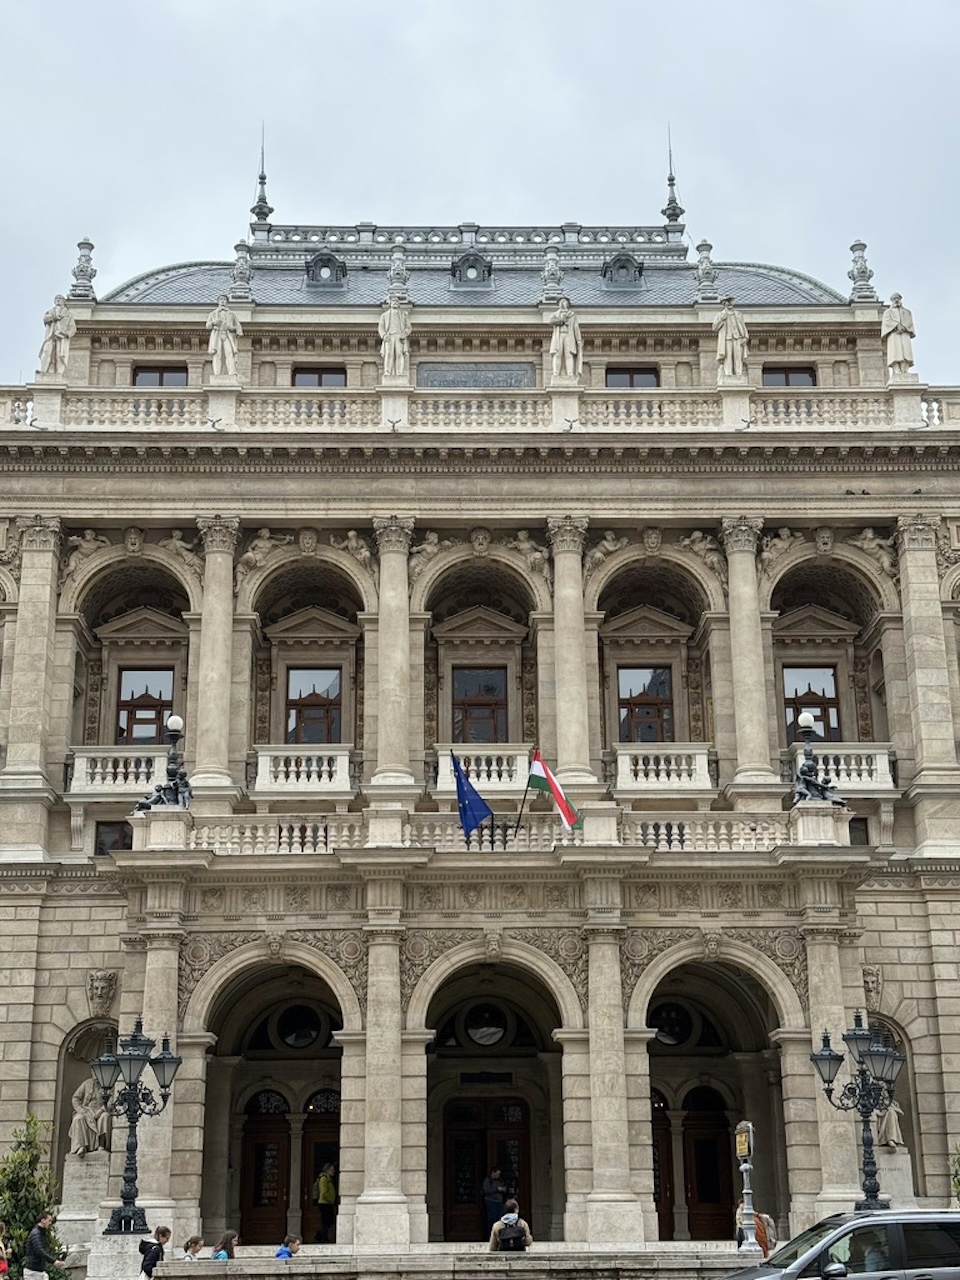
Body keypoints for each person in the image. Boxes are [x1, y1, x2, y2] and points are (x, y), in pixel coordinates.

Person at [68, 1076, 109, 1155]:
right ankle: (81, 1146)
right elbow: (75, 1098)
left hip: (100, 1111)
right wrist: (80, 1109)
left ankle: (101, 1144)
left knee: (105, 1117)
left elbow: (111, 1101)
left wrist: (101, 1110)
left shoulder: (108, 1083)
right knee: (78, 1118)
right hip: (87, 1110)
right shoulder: (87, 1083)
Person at [38, 295, 77, 377]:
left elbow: (73, 328)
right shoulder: (50, 312)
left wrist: (67, 334)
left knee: (60, 354)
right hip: (50, 336)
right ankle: (43, 370)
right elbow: (45, 319)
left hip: (62, 337)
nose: (58, 300)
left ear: (64, 301)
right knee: (46, 351)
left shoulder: (68, 314)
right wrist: (53, 317)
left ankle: (59, 372)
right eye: (56, 299)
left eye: (60, 299)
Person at [206, 296, 243, 378]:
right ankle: (217, 373)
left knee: (229, 353)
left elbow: (238, 326)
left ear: (227, 302)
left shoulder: (231, 314)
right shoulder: (212, 314)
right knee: (217, 354)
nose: (222, 301)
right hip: (217, 334)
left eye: (224, 299)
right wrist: (214, 322)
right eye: (221, 299)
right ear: (218, 301)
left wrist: (234, 330)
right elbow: (208, 326)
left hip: (227, 334)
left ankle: (232, 373)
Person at [713, 296, 749, 378]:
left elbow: (743, 327)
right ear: (724, 303)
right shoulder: (720, 315)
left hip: (738, 338)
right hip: (727, 339)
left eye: (731, 301)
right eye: (727, 301)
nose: (729, 303)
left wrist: (745, 337)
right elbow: (714, 327)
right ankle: (728, 374)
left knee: (738, 357)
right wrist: (721, 320)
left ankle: (738, 373)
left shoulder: (738, 314)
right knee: (728, 356)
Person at [881, 293, 915, 377]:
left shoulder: (907, 312)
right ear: (892, 300)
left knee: (905, 352)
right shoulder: (888, 312)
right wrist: (896, 326)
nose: (896, 300)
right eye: (894, 298)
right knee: (895, 352)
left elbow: (909, 321)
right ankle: (897, 370)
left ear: (900, 299)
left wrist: (903, 326)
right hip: (894, 333)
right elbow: (887, 321)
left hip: (904, 333)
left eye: (897, 298)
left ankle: (905, 370)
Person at [549, 296, 583, 378]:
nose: (562, 303)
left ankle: (570, 374)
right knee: (557, 354)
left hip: (569, 336)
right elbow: (551, 321)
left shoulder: (572, 315)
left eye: (564, 301)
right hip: (559, 335)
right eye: (560, 301)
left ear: (567, 304)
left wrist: (578, 339)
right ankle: (556, 373)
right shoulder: (555, 314)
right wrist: (562, 321)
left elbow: (576, 328)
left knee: (569, 355)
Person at [378, 296, 412, 378]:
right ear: (390, 303)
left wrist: (405, 334)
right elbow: (381, 327)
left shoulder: (403, 315)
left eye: (397, 301)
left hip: (399, 337)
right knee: (389, 354)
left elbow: (409, 327)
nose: (395, 302)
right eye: (393, 301)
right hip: (389, 337)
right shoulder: (384, 315)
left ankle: (400, 372)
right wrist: (384, 335)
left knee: (399, 354)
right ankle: (387, 371)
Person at [24, 1212, 63, 1280]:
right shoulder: (36, 1234)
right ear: (43, 1220)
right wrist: (54, 1261)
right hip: (33, 1272)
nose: (50, 1223)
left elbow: (43, 1250)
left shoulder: (41, 1233)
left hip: (38, 1271)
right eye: (49, 1220)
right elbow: (39, 1251)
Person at [313, 1162, 337, 1242]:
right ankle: (322, 1237)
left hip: (327, 1203)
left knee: (328, 1221)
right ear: (327, 1170)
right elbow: (324, 1192)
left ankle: (321, 1236)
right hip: (325, 1203)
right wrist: (330, 1200)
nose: (333, 1171)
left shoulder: (328, 1179)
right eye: (332, 1169)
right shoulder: (324, 1179)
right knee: (326, 1221)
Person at [482, 1165, 507, 1231]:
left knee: (499, 1220)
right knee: (492, 1219)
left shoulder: (500, 1181)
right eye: (497, 1174)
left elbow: (505, 1188)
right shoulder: (487, 1180)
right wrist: (497, 1189)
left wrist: (503, 1189)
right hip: (491, 1202)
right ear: (493, 1172)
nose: (498, 1175)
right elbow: (486, 1190)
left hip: (499, 1202)